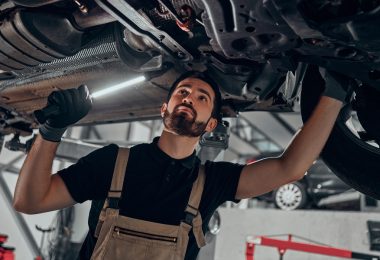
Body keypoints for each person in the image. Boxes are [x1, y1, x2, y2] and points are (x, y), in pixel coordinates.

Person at [13, 69, 348, 260]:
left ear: (211, 124)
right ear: (164, 108)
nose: (189, 97)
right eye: (183, 92)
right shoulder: (112, 162)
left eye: (202, 98)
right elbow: (30, 201)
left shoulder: (213, 182)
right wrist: (51, 131)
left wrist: (334, 94)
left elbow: (290, 168)